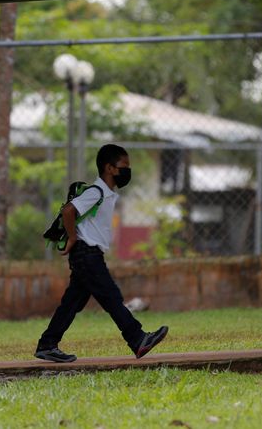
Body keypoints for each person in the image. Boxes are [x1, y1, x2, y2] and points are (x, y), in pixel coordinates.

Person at [35, 144, 168, 363]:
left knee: (72, 303)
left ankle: (47, 344)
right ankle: (138, 339)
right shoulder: (95, 192)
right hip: (86, 253)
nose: (127, 171)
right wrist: (72, 237)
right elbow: (69, 211)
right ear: (109, 168)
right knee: (111, 297)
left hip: (88, 255)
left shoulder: (106, 194)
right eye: (123, 166)